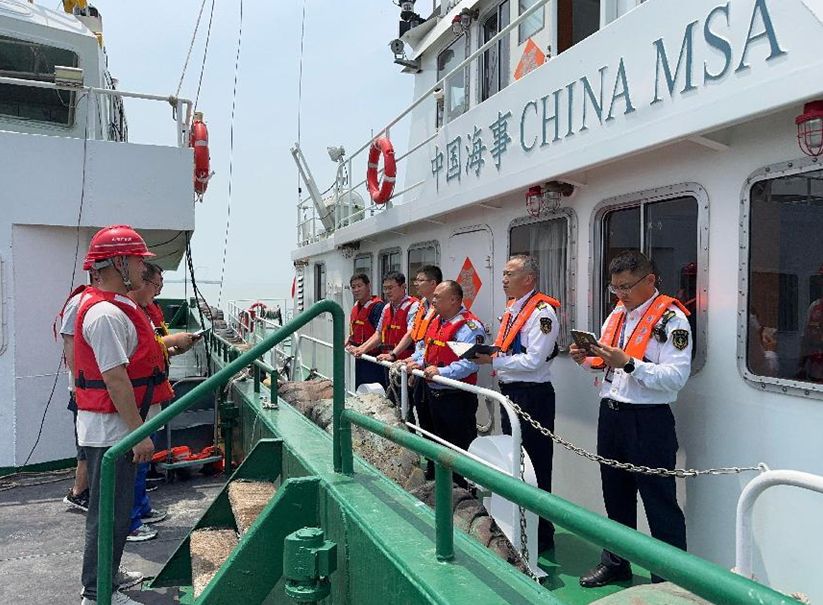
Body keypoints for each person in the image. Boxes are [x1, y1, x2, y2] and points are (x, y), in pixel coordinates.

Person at [570, 250, 692, 588]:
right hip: (612, 415)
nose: (621, 294)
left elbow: (676, 377)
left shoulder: (672, 321)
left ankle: (669, 582)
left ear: (649, 280)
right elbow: (606, 370)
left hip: (648, 420)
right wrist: (585, 360)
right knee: (615, 495)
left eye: (626, 286)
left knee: (660, 502)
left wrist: (628, 363)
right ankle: (616, 562)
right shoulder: (616, 316)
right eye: (615, 288)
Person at [74, 225, 174, 605]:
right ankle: (96, 593)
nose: (141, 268)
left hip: (118, 430)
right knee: (109, 516)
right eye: (136, 260)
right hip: (112, 434)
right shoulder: (104, 314)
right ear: (118, 262)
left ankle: (107, 578)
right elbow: (115, 380)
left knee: (115, 514)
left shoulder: (116, 307)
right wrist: (139, 434)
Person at [474, 255, 561, 553]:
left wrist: (494, 360)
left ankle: (542, 533)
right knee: (515, 461)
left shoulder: (542, 313)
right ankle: (519, 522)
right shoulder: (513, 309)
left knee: (535, 463)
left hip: (532, 396)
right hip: (510, 393)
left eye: (509, 274)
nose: (503, 279)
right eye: (503, 273)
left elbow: (535, 360)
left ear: (529, 279)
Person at [125, 262, 198, 542]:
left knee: (142, 463)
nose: (159, 291)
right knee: (134, 463)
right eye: (157, 285)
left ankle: (140, 509)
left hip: (151, 394)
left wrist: (174, 348)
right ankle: (130, 522)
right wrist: (172, 340)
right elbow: (139, 351)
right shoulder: (126, 313)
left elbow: (152, 350)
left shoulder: (143, 312)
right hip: (139, 400)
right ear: (142, 281)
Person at [408, 280, 485, 487]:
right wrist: (415, 362)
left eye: (437, 297)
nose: (432, 301)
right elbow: (426, 350)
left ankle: (461, 492)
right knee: (435, 441)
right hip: (432, 394)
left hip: (456, 398)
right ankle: (437, 486)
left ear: (453, 300)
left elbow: (470, 364)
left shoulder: (469, 327)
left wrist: (441, 372)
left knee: (458, 448)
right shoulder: (437, 321)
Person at [381, 265, 441, 429]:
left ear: (433, 283)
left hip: (435, 373)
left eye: (420, 280)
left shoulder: (439, 311)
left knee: (438, 425)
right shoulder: (422, 306)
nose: (416, 283)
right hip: (417, 366)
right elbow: (419, 339)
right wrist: (413, 360)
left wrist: (395, 355)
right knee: (422, 415)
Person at [58, 280, 96, 513]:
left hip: (91, 387)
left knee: (90, 440)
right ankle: (78, 493)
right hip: (83, 388)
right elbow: (69, 339)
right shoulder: (78, 302)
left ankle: (84, 490)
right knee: (86, 443)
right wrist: (80, 384)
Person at [352, 271, 419, 401]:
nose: (387, 292)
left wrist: (393, 354)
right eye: (385, 288)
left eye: (390, 288)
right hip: (388, 364)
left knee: (406, 403)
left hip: (405, 364)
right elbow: (378, 333)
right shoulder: (387, 307)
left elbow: (410, 333)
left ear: (403, 287)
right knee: (391, 400)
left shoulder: (414, 306)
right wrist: (361, 349)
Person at [344, 273, 386, 388]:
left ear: (368, 287)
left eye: (359, 286)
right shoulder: (356, 306)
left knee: (372, 390)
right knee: (359, 388)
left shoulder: (377, 307)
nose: (356, 290)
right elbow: (354, 330)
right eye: (353, 287)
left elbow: (380, 334)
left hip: (373, 359)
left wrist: (362, 349)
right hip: (359, 358)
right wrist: (348, 341)